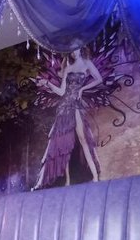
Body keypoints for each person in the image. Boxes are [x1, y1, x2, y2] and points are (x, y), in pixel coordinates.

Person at [34, 48, 103, 189]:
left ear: (80, 48)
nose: (73, 52)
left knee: (83, 140)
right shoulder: (68, 68)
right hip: (64, 106)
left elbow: (99, 79)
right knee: (64, 144)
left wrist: (83, 89)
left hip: (75, 105)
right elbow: (61, 92)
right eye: (71, 51)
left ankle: (96, 177)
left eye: (75, 49)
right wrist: (47, 83)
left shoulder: (87, 63)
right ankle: (67, 182)